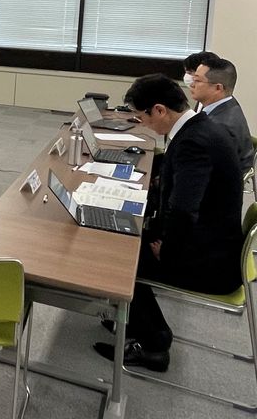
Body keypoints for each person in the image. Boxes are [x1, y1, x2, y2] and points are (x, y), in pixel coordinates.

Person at [94, 73, 243, 372]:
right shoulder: (199, 127)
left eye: (142, 117)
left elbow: (183, 210)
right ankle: (134, 319)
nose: (143, 124)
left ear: (159, 110)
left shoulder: (193, 142)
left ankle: (155, 345)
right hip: (210, 240)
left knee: (120, 255)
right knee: (123, 234)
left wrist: (168, 250)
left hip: (209, 262)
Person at [189, 57, 254, 176]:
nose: (192, 85)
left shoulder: (220, 127)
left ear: (218, 88)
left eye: (197, 80)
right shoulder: (229, 102)